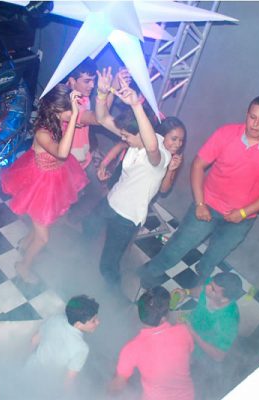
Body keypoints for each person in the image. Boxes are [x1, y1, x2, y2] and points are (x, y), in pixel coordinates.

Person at [140, 95, 259, 288]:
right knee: (179, 245)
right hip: (207, 206)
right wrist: (200, 203)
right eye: (252, 117)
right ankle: (150, 273)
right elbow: (198, 165)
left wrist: (243, 213)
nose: (255, 124)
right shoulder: (226, 134)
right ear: (247, 114)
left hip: (242, 219)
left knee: (214, 256)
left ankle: (199, 283)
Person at [95, 68, 185, 287]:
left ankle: (114, 295)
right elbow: (102, 118)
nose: (123, 138)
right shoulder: (136, 139)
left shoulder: (160, 155)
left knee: (108, 264)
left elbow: (152, 146)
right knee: (89, 226)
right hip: (111, 202)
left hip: (126, 218)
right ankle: (78, 255)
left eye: (127, 135)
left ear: (140, 135)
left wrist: (136, 105)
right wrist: (101, 94)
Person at [1, 84, 87, 283]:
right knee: (44, 237)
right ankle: (23, 266)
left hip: (56, 178)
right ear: (56, 109)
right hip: (41, 184)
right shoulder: (43, 132)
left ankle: (26, 243)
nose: (74, 112)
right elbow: (62, 153)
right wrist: (73, 118)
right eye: (70, 109)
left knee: (42, 221)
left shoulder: (57, 122)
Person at [64, 60, 131, 225]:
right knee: (63, 198)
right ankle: (59, 224)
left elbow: (101, 114)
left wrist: (112, 87)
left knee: (95, 191)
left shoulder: (81, 96)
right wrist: (106, 92)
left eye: (93, 81)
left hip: (82, 158)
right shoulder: (67, 104)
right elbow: (98, 119)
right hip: (67, 163)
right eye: (87, 81)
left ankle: (71, 219)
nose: (92, 85)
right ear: (72, 81)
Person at [109, 286, 194, 400]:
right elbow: (187, 351)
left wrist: (107, 392)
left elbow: (118, 386)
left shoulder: (131, 349)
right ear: (164, 317)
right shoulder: (183, 331)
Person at [174, 272, 243, 397]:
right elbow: (201, 290)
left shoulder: (229, 321)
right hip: (188, 332)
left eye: (212, 289)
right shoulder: (213, 285)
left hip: (200, 354)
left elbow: (218, 356)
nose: (207, 287)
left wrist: (192, 333)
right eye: (210, 283)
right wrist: (187, 292)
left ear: (225, 299)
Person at [26, 295, 100, 384]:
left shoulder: (55, 319)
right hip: (46, 383)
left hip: (29, 368)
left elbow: (34, 340)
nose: (98, 322)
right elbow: (68, 381)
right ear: (78, 324)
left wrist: (24, 361)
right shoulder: (82, 348)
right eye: (93, 321)